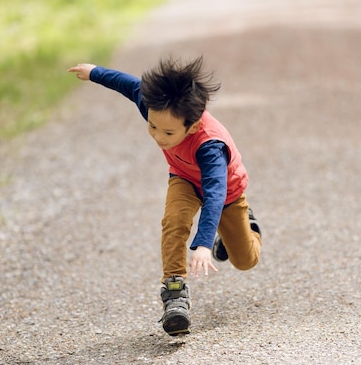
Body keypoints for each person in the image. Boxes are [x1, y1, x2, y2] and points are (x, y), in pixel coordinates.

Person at [68, 56, 262, 336]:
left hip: (224, 193)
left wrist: (204, 243)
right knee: (174, 222)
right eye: (153, 127)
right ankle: (175, 293)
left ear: (192, 126)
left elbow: (214, 196)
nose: (158, 137)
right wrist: (94, 72)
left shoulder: (210, 146)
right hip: (183, 177)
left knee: (244, 260)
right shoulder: (155, 106)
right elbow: (128, 84)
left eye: (169, 132)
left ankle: (249, 224)